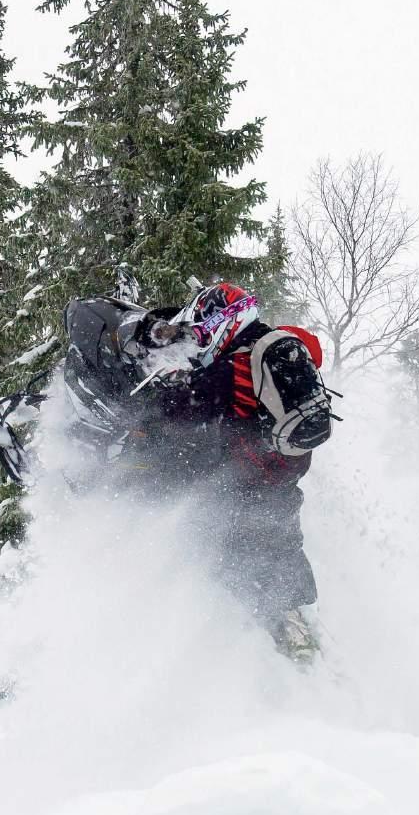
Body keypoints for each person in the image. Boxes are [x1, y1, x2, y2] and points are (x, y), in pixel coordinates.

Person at [108, 281, 334, 662]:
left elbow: (181, 407)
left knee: (233, 565)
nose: (201, 340)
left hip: (250, 485)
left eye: (203, 331)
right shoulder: (279, 348)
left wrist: (149, 400)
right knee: (281, 566)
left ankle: (277, 663)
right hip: (280, 483)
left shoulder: (237, 364)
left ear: (226, 321)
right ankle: (311, 655)